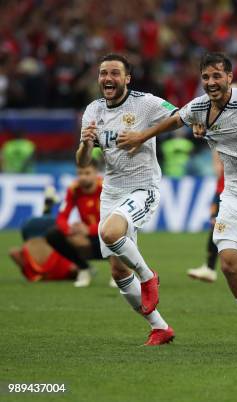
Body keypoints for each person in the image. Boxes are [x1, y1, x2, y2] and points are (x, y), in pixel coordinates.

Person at [117, 52, 237, 352]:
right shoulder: (200, 107)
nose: (211, 82)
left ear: (229, 77)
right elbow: (175, 120)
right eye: (206, 77)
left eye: (217, 76)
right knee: (230, 266)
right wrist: (142, 136)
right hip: (233, 195)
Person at [77, 53, 175, 346]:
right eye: (103, 73)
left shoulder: (145, 103)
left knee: (109, 232)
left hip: (143, 187)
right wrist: (86, 143)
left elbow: (180, 116)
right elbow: (82, 160)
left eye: (115, 73)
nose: (108, 78)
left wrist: (143, 135)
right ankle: (160, 327)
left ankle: (147, 276)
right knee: (118, 269)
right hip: (112, 190)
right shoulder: (93, 110)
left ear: (127, 79)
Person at [187, 149, 237, 283]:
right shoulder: (222, 144)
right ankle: (210, 268)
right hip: (223, 191)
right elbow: (218, 170)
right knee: (217, 227)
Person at [44, 160, 104, 287]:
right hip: (85, 234)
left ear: (96, 174)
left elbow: (114, 218)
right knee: (53, 234)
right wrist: (70, 231)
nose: (83, 177)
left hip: (104, 232)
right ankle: (83, 268)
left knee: (117, 233)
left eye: (87, 173)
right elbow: (61, 217)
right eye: (80, 173)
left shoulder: (106, 188)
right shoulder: (74, 190)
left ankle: (120, 270)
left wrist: (89, 230)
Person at [9, 187, 77, 282]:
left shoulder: (62, 271)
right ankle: (48, 206)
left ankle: (48, 206)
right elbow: (13, 252)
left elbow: (13, 252)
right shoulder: (37, 275)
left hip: (44, 237)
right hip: (32, 232)